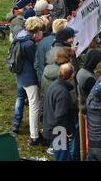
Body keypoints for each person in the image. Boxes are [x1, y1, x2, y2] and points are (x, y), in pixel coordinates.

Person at [12, 17, 45, 145]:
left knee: (22, 99)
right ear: (35, 31)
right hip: (29, 79)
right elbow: (35, 62)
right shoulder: (30, 44)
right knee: (34, 107)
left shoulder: (19, 37)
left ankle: (24, 127)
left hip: (20, 76)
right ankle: (34, 136)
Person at [43, 63, 76, 161]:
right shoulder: (63, 93)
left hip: (51, 127)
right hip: (59, 132)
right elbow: (60, 116)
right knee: (62, 158)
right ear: (71, 76)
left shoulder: (53, 85)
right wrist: (69, 131)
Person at [34, 18, 67, 85]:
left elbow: (37, 64)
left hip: (45, 81)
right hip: (61, 81)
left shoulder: (42, 41)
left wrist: (41, 81)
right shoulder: (63, 44)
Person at [76, 49, 101, 115]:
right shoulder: (89, 78)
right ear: (94, 62)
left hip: (82, 104)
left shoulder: (81, 71)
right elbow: (96, 95)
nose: (100, 63)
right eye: (99, 62)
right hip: (89, 109)